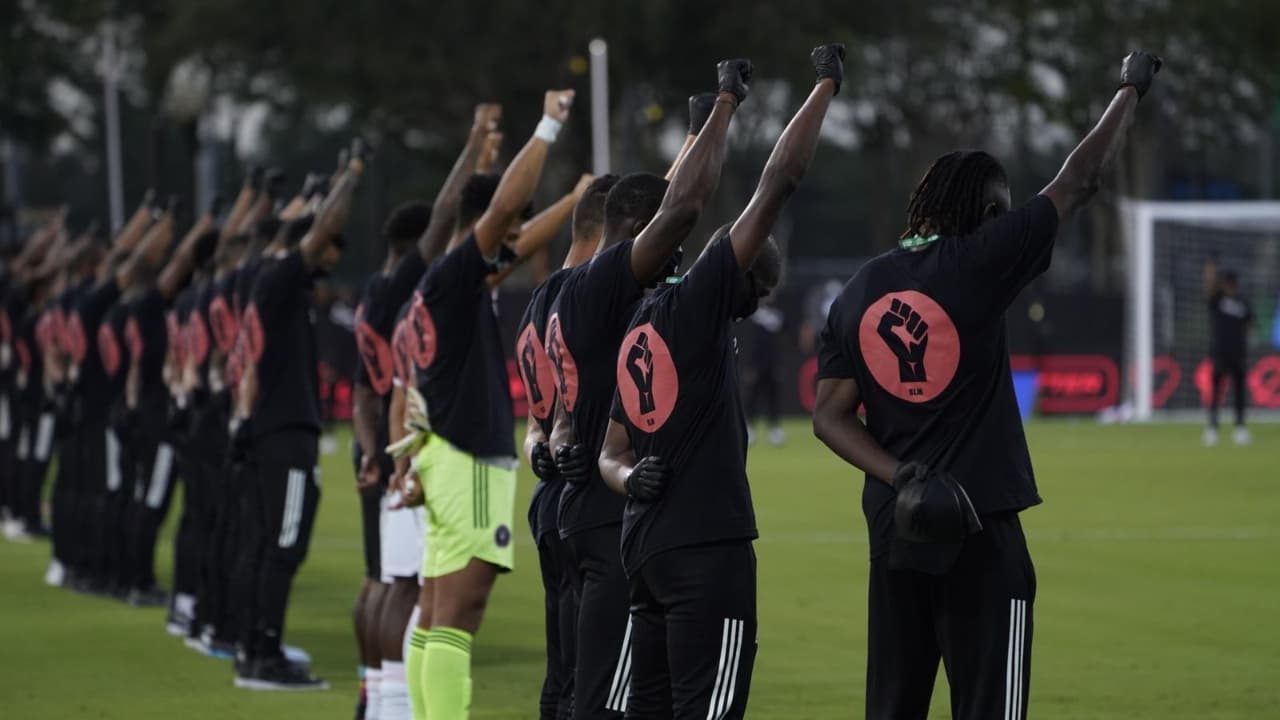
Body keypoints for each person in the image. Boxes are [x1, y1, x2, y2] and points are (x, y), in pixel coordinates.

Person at [811, 51, 1161, 720]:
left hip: (894, 531)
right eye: (997, 211)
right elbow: (1079, 178)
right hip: (978, 529)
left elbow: (829, 415)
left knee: (892, 706)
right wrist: (1129, 89)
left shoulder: (858, 288)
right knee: (990, 706)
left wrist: (901, 474)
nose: (1004, 222)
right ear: (982, 212)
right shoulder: (981, 261)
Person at [598, 46, 840, 719]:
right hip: (707, 550)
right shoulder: (697, 305)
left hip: (642, 552)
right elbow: (779, 180)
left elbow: (609, 453)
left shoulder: (638, 321)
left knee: (639, 709)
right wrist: (823, 85)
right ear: (739, 285)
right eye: (757, 293)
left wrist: (627, 480)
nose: (756, 306)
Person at [393, 86, 574, 720]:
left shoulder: (440, 286)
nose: (515, 236)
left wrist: (575, 202)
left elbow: (516, 246)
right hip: (468, 459)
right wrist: (548, 127)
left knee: (436, 608)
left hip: (444, 455)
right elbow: (505, 218)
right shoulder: (452, 276)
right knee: (459, 614)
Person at [544, 90, 715, 720]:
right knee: (606, 702)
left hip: (571, 510)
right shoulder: (605, 284)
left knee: (570, 688)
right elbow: (673, 212)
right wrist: (718, 116)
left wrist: (693, 135)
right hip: (604, 516)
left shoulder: (556, 291)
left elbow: (558, 414)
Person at [230, 142, 366, 690]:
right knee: (283, 547)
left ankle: (254, 647)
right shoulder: (282, 277)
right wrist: (351, 174)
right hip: (286, 436)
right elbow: (316, 227)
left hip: (269, 431)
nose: (334, 254)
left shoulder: (271, 281)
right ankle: (262, 656)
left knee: (270, 544)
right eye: (330, 246)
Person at [517, 173, 618, 720]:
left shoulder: (538, 301)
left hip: (551, 497)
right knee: (593, 681)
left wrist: (539, 447)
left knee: (561, 675)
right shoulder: (587, 297)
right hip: (586, 502)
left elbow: (538, 419)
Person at [1202, 261, 1252, 446]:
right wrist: (1211, 265)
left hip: (1238, 353)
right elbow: (1208, 285)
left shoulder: (1243, 303)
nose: (1230, 285)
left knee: (1239, 391)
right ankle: (1212, 427)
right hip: (1219, 353)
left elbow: (1249, 325)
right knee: (1216, 391)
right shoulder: (1218, 300)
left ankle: (1240, 427)